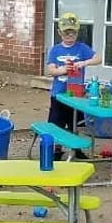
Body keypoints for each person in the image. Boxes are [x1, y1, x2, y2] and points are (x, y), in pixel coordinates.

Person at [45, 12, 101, 159]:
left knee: (75, 124)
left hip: (76, 95)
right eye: (66, 33)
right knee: (56, 124)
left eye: (73, 33)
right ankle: (57, 150)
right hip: (58, 94)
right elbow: (50, 70)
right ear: (59, 33)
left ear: (77, 32)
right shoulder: (55, 50)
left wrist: (84, 62)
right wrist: (62, 70)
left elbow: (98, 58)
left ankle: (76, 148)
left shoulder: (82, 48)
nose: (70, 36)